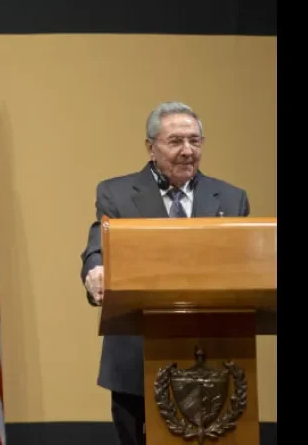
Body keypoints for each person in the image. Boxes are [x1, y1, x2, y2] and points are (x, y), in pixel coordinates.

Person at [78, 101, 250, 445]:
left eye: (195, 141)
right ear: (151, 147)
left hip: (213, 353)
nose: (188, 151)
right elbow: (99, 243)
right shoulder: (116, 192)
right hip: (136, 354)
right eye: (176, 142)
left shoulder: (231, 198)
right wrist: (95, 269)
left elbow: (243, 263)